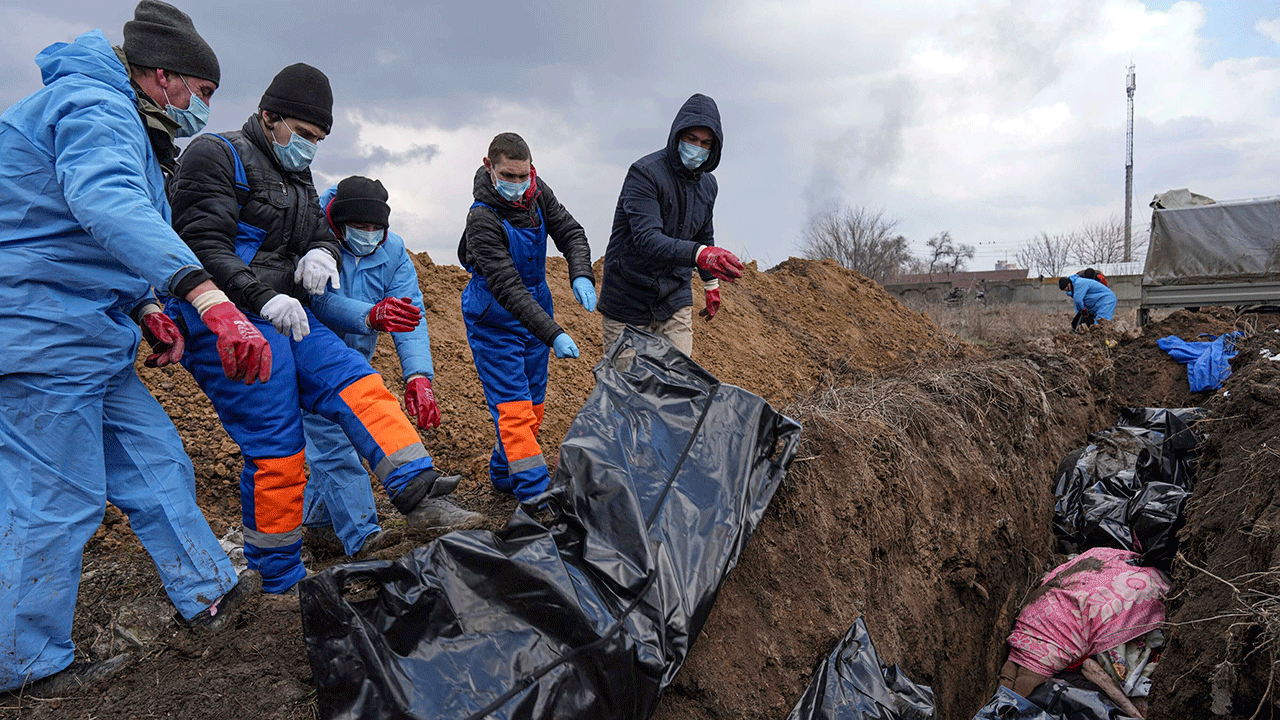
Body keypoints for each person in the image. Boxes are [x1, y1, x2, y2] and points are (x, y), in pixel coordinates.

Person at [0, 1, 271, 694]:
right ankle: (24, 667)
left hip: (86, 332)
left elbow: (88, 236)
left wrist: (148, 305)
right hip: (35, 329)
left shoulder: (126, 123)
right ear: (163, 77)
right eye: (201, 94)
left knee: (156, 460)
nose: (202, 109)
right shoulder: (95, 105)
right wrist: (204, 295)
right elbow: (105, 203)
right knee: (54, 497)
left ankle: (210, 594)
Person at [166, 64, 479, 595]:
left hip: (288, 316)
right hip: (227, 321)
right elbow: (201, 245)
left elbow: (319, 232)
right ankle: (280, 579)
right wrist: (262, 297)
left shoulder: (296, 177)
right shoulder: (214, 155)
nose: (310, 148)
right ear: (269, 118)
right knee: (278, 449)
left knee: (359, 383)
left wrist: (319, 251)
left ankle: (423, 497)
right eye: (305, 136)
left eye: (319, 140)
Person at [301, 176, 444, 557]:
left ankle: (316, 525)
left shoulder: (392, 251)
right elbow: (318, 302)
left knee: (339, 440)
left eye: (375, 228)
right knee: (334, 447)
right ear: (338, 222)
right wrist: (370, 315)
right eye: (359, 227)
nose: (368, 235)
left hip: (354, 362)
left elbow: (410, 314)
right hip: (312, 360)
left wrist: (418, 376)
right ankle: (363, 537)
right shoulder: (315, 242)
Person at [458, 132, 594, 503]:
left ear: (531, 170)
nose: (517, 185)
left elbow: (570, 232)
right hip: (495, 318)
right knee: (514, 410)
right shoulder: (482, 218)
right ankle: (535, 497)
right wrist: (553, 334)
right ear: (490, 168)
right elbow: (506, 286)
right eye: (508, 176)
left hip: (536, 307)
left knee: (533, 404)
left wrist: (580, 270)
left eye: (523, 176)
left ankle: (504, 472)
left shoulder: (538, 193)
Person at [597, 93, 745, 356]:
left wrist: (710, 284)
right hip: (628, 296)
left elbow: (703, 233)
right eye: (692, 139)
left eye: (706, 143)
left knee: (678, 385)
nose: (697, 147)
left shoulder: (708, 185)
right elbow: (647, 239)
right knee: (627, 390)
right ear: (677, 135)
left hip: (673, 295)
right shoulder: (645, 174)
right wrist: (700, 254)